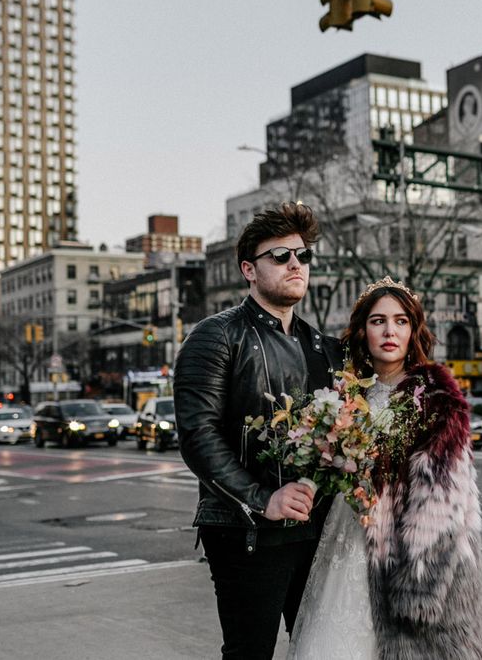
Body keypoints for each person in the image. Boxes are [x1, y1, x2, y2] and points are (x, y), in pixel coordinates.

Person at [288, 277, 482, 660]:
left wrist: (419, 583)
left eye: (401, 321)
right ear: (362, 330)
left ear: (413, 329)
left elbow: (444, 500)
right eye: (378, 321)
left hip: (411, 553)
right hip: (347, 538)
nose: (390, 331)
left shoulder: (435, 398)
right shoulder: (345, 395)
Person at [174, 202, 344, 660]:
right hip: (246, 531)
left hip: (316, 532)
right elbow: (197, 434)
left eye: (303, 255)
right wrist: (260, 498)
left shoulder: (324, 348)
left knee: (319, 650)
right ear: (249, 269)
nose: (296, 264)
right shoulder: (216, 336)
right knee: (250, 652)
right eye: (281, 255)